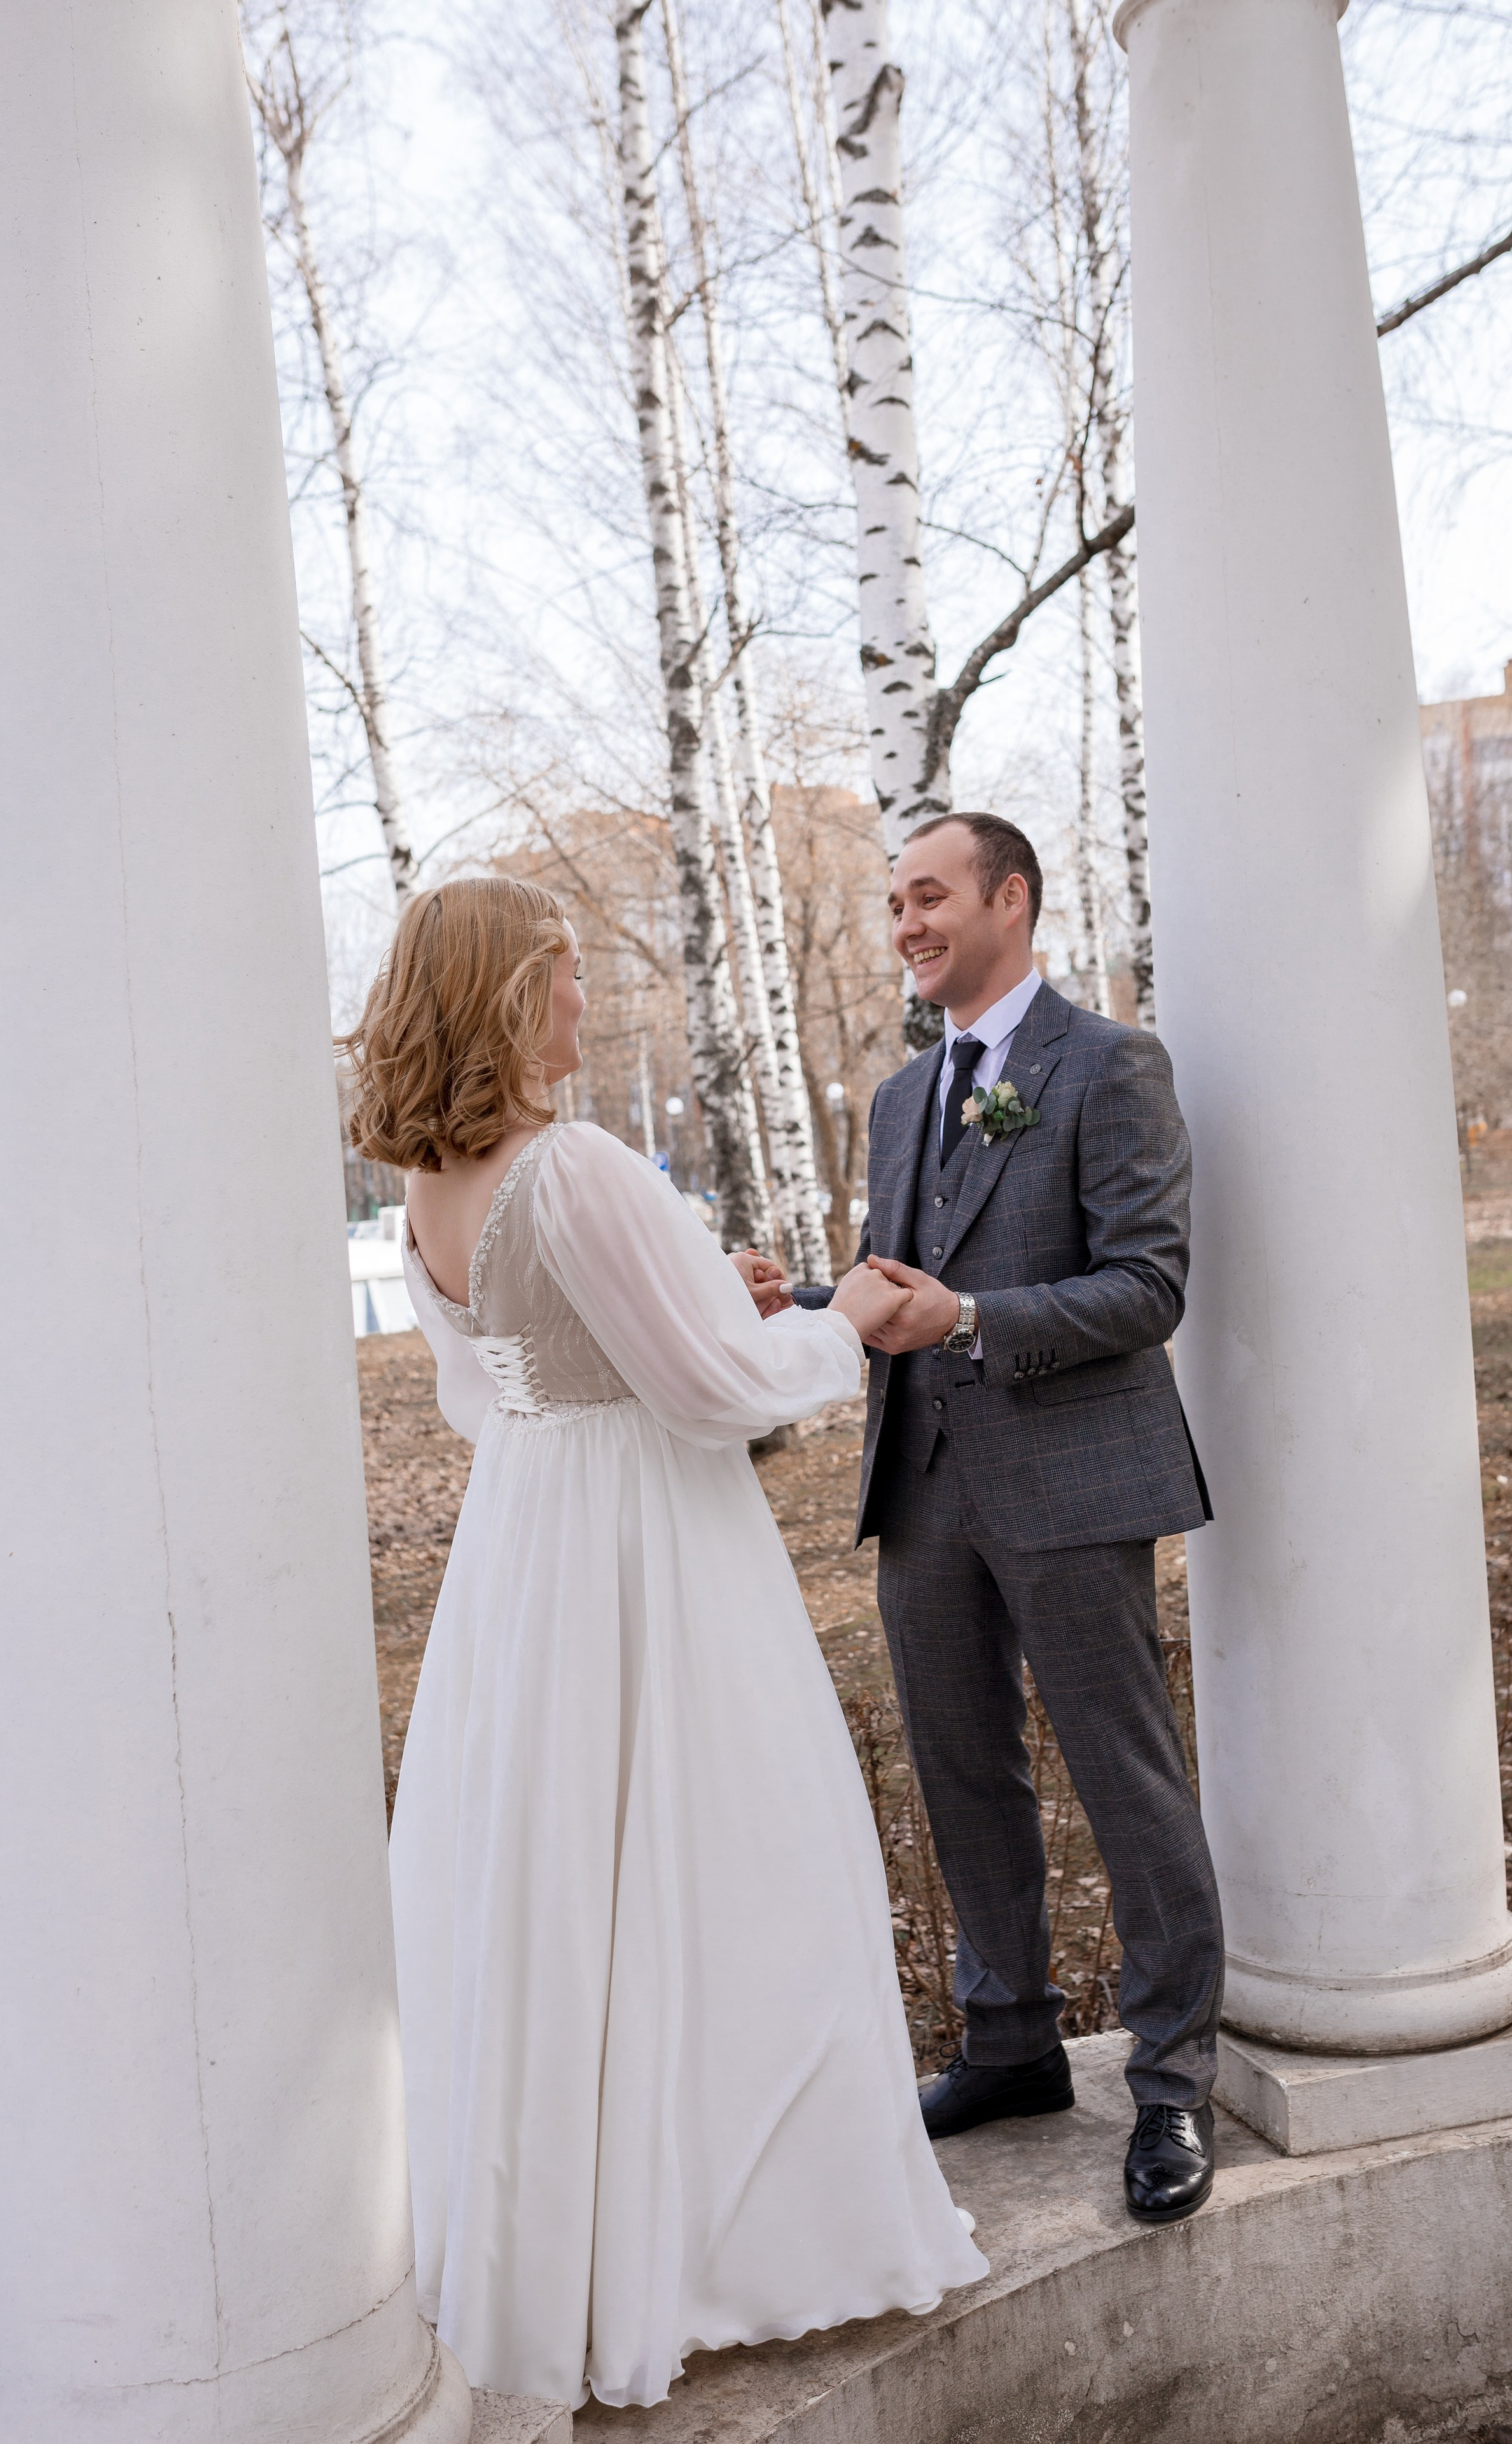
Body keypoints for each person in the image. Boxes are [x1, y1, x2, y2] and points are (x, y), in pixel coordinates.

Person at [342, 878, 986, 2413]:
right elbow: (709, 1392)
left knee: (558, 1875)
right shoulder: (570, 1161)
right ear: (515, 992)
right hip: (646, 1545)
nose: (585, 1001)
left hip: (527, 1546)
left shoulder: (435, 1188)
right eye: (566, 974)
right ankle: (727, 2239)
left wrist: (710, 1298)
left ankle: (565, 2237)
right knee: (721, 1854)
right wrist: (849, 1326)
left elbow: (496, 1387)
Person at [789, 813, 1224, 2226]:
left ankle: (1169, 2076)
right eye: (894, 902)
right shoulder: (901, 1097)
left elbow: (1145, 1287)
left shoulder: (1108, 1065)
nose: (905, 922)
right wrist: (793, 1301)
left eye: (928, 895)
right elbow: (893, 1282)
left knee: (1124, 1778)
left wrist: (970, 1318)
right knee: (962, 1774)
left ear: (1010, 900)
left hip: (1072, 1484)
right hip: (921, 1490)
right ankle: (1009, 2044)